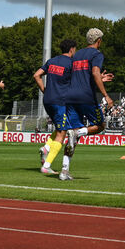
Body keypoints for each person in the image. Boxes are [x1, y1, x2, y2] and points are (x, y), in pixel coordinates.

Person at [63, 28, 115, 179]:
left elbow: (81, 75)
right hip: (86, 96)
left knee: (73, 137)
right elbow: (94, 72)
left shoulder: (77, 54)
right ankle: (78, 133)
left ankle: (64, 171)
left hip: (71, 96)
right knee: (100, 125)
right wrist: (106, 95)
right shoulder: (97, 54)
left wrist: (100, 78)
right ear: (99, 41)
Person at [33, 39, 76, 175]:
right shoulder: (72, 63)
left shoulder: (51, 61)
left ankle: (46, 148)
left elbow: (36, 75)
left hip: (48, 100)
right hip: (60, 101)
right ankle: (46, 165)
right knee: (62, 133)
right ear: (71, 49)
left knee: (60, 128)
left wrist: (44, 90)